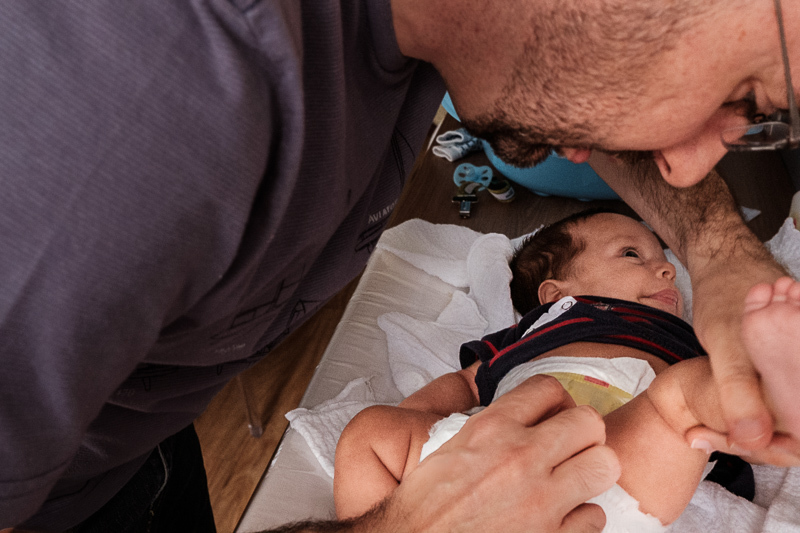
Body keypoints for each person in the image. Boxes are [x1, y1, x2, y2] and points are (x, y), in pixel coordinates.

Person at [1, 0, 798, 531]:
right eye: (744, 93)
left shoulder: (431, 27)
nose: (694, 167)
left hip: (131, 466)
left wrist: (719, 253)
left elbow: (591, 75)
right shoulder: (142, 118)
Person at [333, 210, 765, 530]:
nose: (667, 269)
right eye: (632, 253)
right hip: (477, 460)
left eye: (663, 262)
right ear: (556, 294)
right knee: (368, 433)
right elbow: (468, 381)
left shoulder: (688, 337)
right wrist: (420, 423)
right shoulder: (542, 325)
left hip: (612, 471)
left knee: (689, 396)